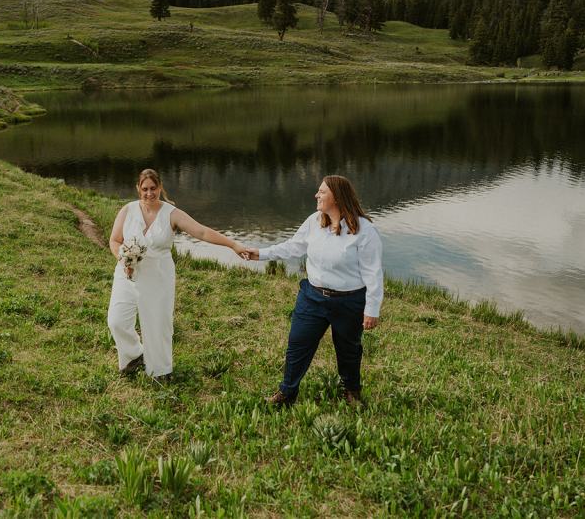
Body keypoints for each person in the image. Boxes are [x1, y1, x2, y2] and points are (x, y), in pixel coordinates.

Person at [244, 175, 383, 406]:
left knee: (349, 349)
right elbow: (293, 247)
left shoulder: (365, 231)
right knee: (298, 344)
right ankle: (287, 393)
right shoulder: (314, 221)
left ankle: (351, 391)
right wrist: (260, 254)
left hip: (349, 302)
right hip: (313, 298)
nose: (316, 195)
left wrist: (372, 309)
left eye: (321, 192)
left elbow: (373, 273)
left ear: (337, 197)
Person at [108, 168, 248, 379]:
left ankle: (160, 370)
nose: (149, 193)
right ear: (138, 189)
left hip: (158, 274)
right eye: (144, 189)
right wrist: (123, 257)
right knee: (116, 321)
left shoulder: (170, 214)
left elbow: (201, 231)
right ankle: (133, 355)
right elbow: (114, 240)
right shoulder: (127, 210)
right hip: (127, 272)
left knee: (158, 323)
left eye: (153, 188)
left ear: (160, 187)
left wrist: (233, 245)